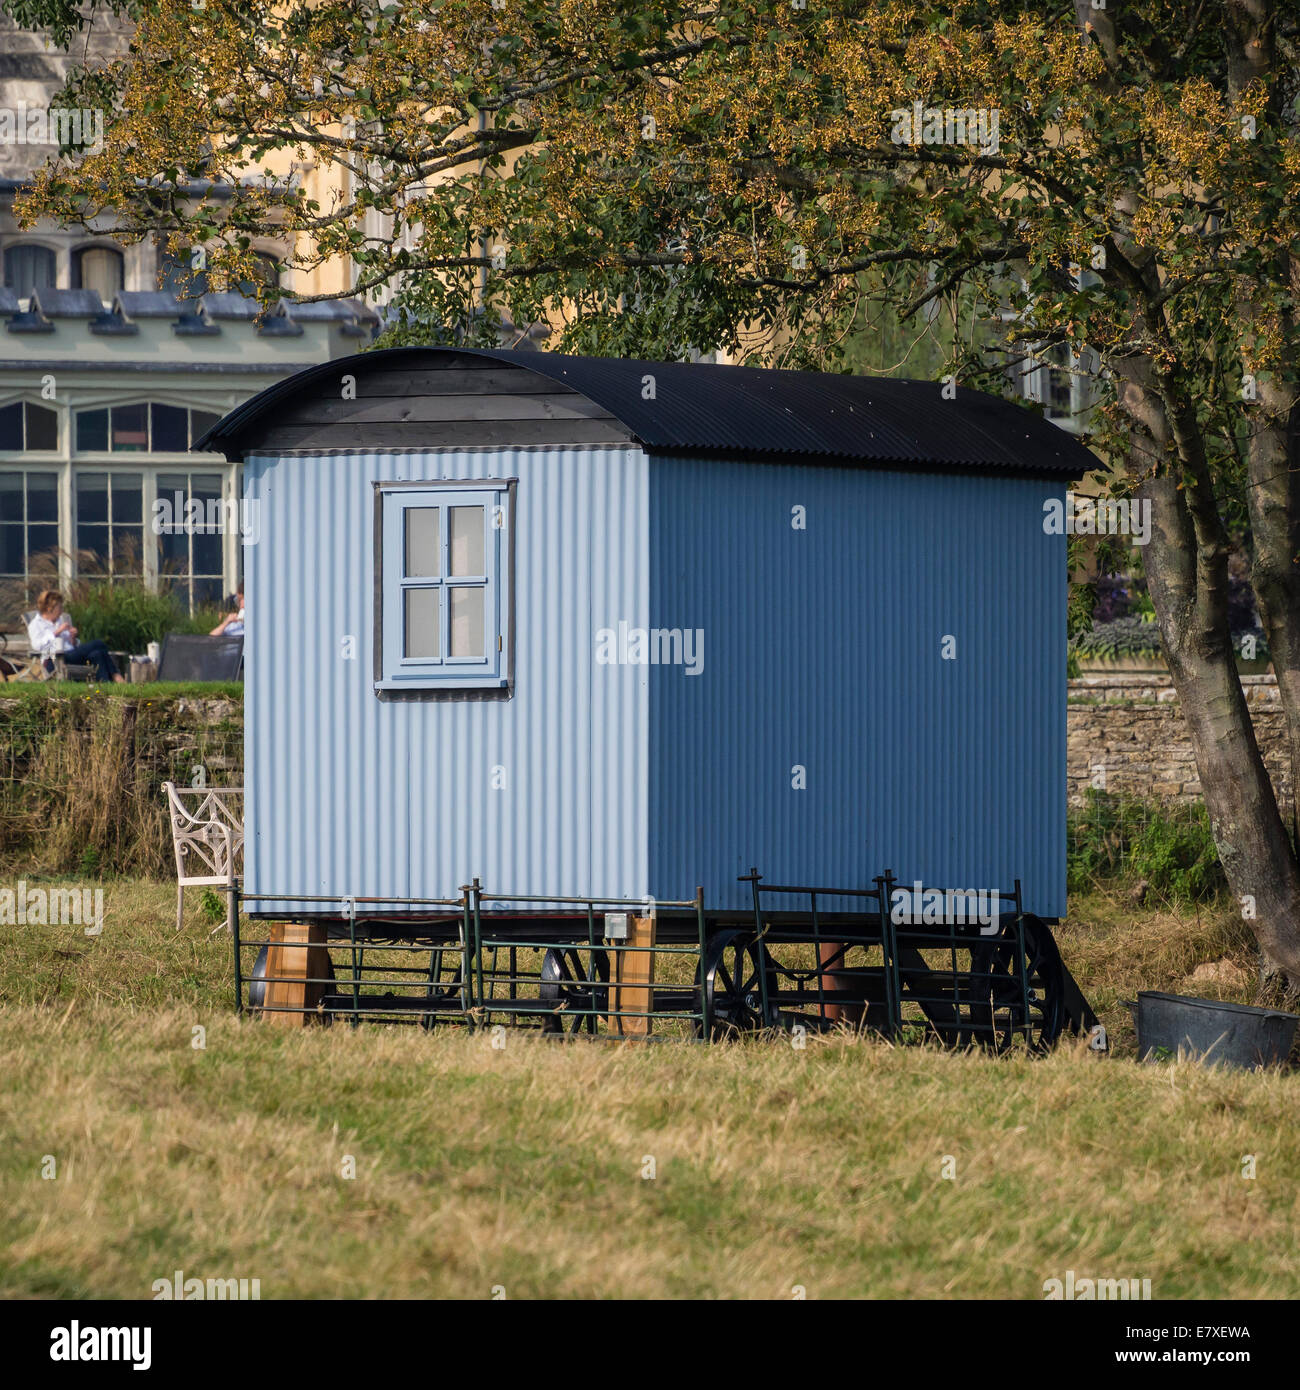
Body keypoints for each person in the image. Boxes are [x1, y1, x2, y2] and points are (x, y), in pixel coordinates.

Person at [27, 590, 125, 683]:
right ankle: (115, 674)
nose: (62, 611)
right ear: (49, 608)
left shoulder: (59, 621)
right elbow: (37, 645)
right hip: (56, 659)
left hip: (72, 656)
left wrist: (73, 638)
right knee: (98, 643)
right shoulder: (35, 624)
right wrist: (57, 632)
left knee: (97, 654)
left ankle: (105, 685)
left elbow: (72, 645)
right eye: (60, 608)